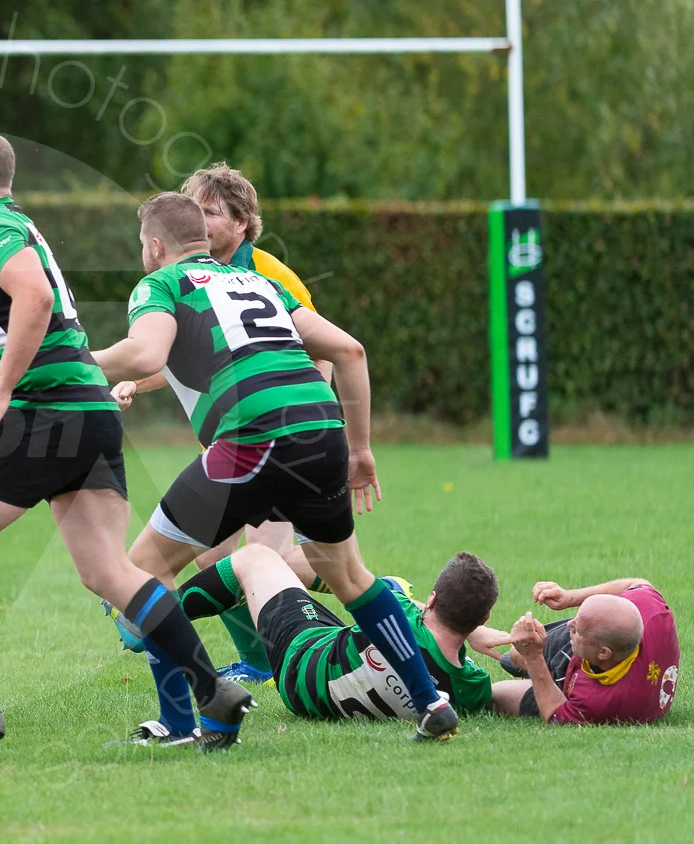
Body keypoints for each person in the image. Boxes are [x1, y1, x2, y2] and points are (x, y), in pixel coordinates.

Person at [0, 130, 248, 751]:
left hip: (44, 411)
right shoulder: (19, 224)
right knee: (108, 570)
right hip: (89, 410)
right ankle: (212, 688)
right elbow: (31, 321)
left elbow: (31, 299)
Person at [93, 191, 460, 742]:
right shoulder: (259, 282)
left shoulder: (160, 284)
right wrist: (359, 450)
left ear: (154, 244)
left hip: (252, 439)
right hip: (322, 435)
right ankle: (431, 703)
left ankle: (180, 721)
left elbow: (145, 355)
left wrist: (64, 361)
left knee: (144, 572)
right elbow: (351, 351)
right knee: (349, 575)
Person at [108, 163, 328, 685]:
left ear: (243, 223)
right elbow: (190, 355)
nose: (200, 222)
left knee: (265, 560)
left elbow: (314, 353)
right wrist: (136, 383)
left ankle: (374, 591)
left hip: (284, 437)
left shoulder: (268, 274)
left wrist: (314, 431)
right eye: (196, 211)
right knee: (216, 553)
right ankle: (258, 658)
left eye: (211, 212)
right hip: (240, 441)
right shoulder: (198, 276)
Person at [150, 546, 496, 734]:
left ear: (432, 600)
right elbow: (520, 698)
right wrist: (524, 657)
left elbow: (377, 592)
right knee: (286, 558)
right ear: (482, 619)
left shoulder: (401, 612)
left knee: (256, 558)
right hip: (331, 667)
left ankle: (153, 617)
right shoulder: (470, 687)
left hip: (303, 662)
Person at [491, 578, 679, 725]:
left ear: (603, 653)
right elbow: (636, 583)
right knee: (511, 658)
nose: (569, 624)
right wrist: (568, 598)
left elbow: (555, 714)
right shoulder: (652, 611)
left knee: (492, 694)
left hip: (573, 686)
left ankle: (543, 670)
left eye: (577, 628)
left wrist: (533, 657)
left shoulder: (597, 701)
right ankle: (528, 663)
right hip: (593, 651)